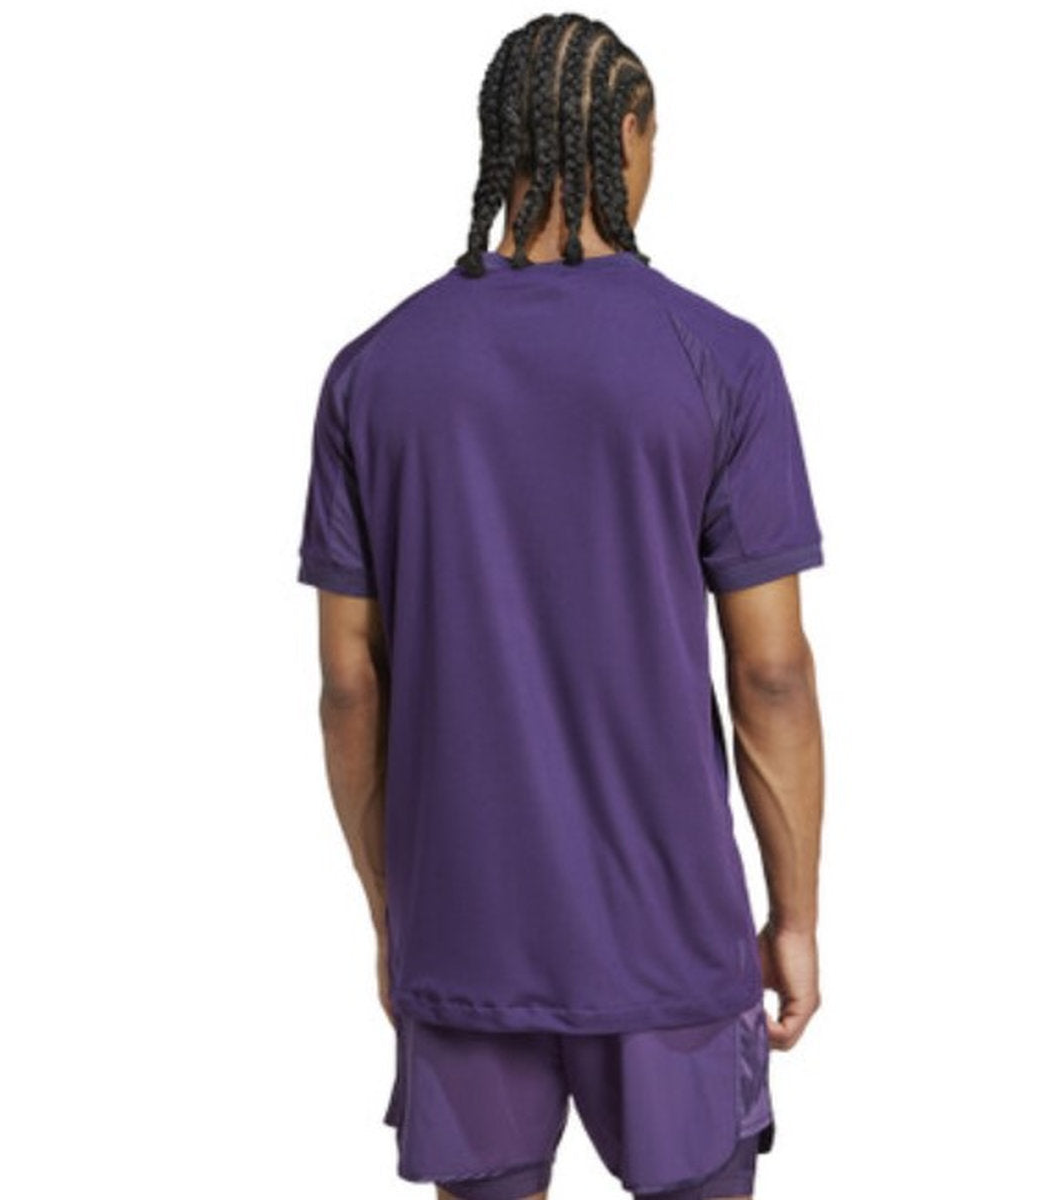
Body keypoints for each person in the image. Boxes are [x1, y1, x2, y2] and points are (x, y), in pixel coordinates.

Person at [296, 13, 825, 1200]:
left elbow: (347, 684)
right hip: (673, 935)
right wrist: (792, 917)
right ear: (629, 135)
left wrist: (393, 914)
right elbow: (772, 673)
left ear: (503, 143)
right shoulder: (721, 359)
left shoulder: (372, 372)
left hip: (465, 929)